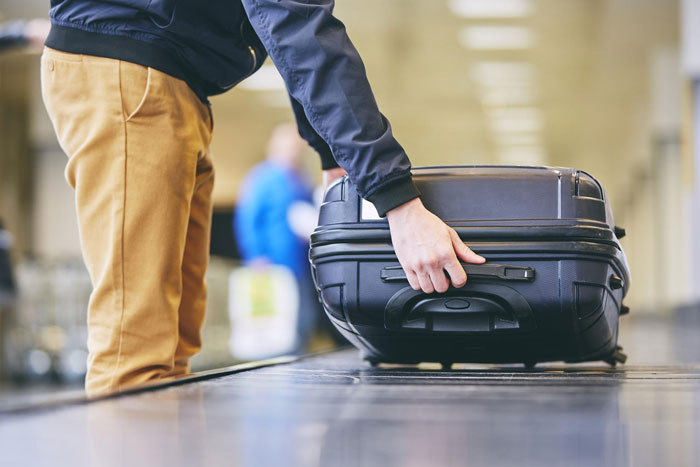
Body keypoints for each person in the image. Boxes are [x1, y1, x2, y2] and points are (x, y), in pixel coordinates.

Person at [41, 0, 486, 395]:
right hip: (130, 66)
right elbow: (298, 27)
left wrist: (332, 153)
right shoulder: (268, 183)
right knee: (135, 358)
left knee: (172, 349)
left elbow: (288, 34)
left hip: (172, 80)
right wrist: (399, 205)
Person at [234, 123, 319, 352]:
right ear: (273, 146)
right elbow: (248, 218)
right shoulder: (262, 178)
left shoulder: (301, 178)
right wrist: (255, 256)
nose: (293, 151)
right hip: (271, 265)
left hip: (299, 265)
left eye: (297, 146)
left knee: (302, 320)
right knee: (276, 325)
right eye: (288, 145)